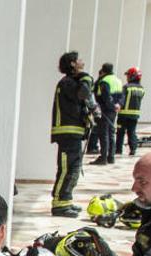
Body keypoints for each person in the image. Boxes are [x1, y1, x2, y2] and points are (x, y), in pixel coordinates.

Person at [50, 51, 97, 217]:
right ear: (72, 64)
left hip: (74, 133)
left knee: (74, 168)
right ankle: (59, 204)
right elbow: (83, 93)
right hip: (67, 133)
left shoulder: (71, 82)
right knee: (66, 169)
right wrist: (86, 78)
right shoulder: (68, 83)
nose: (82, 62)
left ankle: (66, 201)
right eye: (79, 60)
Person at [89, 63, 123, 165]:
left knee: (104, 134)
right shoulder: (118, 80)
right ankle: (111, 157)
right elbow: (122, 96)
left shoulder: (104, 81)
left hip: (105, 110)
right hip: (114, 110)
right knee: (111, 133)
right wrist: (118, 105)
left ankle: (103, 158)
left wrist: (111, 106)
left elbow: (106, 97)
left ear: (103, 71)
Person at [116, 67, 145, 156]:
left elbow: (122, 99)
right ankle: (133, 149)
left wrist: (118, 106)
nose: (127, 77)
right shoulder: (141, 88)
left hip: (124, 114)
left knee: (120, 133)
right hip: (135, 115)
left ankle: (118, 150)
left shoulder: (126, 87)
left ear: (132, 76)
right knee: (132, 132)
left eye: (128, 75)